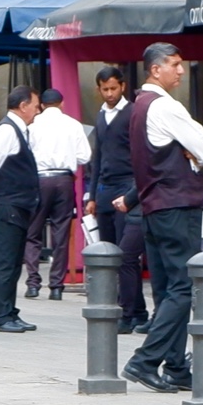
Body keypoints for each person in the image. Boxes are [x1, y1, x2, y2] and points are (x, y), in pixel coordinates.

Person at [123, 42, 203, 394]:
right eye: (175, 64)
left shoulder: (137, 107)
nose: (180, 70)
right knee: (181, 288)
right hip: (176, 206)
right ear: (155, 69)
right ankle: (145, 360)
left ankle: (176, 366)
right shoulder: (165, 106)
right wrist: (192, 152)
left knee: (166, 290)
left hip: (153, 207)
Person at [86, 66, 149, 333]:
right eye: (105, 89)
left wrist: (134, 192)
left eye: (113, 88)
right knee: (110, 254)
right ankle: (136, 310)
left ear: (122, 86)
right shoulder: (101, 115)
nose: (109, 94)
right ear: (99, 89)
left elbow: (140, 154)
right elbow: (97, 157)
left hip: (127, 187)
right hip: (104, 188)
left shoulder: (133, 113)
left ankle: (129, 312)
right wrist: (91, 194)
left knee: (126, 254)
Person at [0, 84, 41, 333]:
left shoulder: (20, 130)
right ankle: (0, 316)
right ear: (23, 106)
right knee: (3, 261)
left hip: (16, 204)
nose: (38, 111)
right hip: (5, 205)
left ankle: (9, 311)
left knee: (13, 262)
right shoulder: (7, 131)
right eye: (35, 106)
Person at [24, 87, 90, 301]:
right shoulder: (73, 125)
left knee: (33, 231)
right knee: (61, 233)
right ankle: (56, 285)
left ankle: (33, 283)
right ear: (62, 104)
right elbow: (84, 157)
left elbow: (25, 154)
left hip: (39, 179)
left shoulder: (33, 125)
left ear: (41, 105)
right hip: (63, 180)